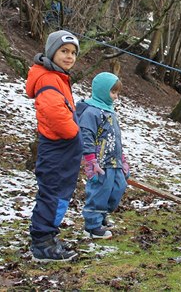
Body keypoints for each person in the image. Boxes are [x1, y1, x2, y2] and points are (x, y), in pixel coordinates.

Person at [25, 30, 82, 262]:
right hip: (57, 150)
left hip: (65, 153)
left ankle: (49, 236)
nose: (69, 57)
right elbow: (54, 113)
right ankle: (42, 243)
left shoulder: (59, 77)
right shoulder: (48, 78)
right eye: (64, 51)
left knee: (58, 196)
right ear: (52, 52)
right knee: (51, 196)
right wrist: (74, 133)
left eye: (73, 53)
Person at [76, 72, 129, 239]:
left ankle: (102, 215)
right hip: (100, 163)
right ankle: (92, 225)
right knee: (100, 192)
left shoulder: (110, 112)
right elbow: (87, 137)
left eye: (117, 93)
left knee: (117, 188)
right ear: (102, 91)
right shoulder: (91, 112)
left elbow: (115, 138)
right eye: (113, 92)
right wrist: (91, 161)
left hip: (114, 161)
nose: (116, 97)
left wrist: (123, 160)